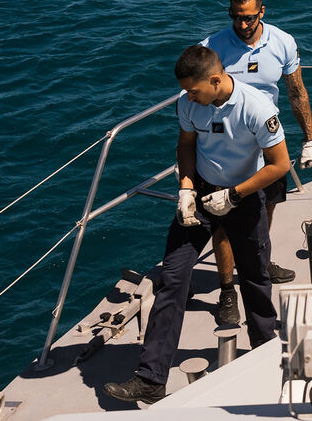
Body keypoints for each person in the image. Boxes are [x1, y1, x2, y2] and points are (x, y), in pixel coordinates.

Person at [104, 45, 290, 406]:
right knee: (173, 277)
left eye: (193, 90)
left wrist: (234, 195)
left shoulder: (258, 108)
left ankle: (267, 358)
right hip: (201, 195)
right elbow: (186, 144)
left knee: (255, 279)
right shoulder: (188, 103)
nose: (188, 97)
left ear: (216, 80)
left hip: (243, 197)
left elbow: (279, 164)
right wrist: (186, 188)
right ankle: (151, 379)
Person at [200, 0, 312, 303]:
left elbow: (296, 92)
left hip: (268, 142)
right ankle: (227, 289)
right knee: (224, 219)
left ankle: (259, 264)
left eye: (250, 18)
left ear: (262, 12)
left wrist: (310, 138)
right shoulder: (211, 48)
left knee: (266, 208)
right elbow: (197, 99)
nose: (243, 24)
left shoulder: (282, 42)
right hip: (226, 145)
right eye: (236, 17)